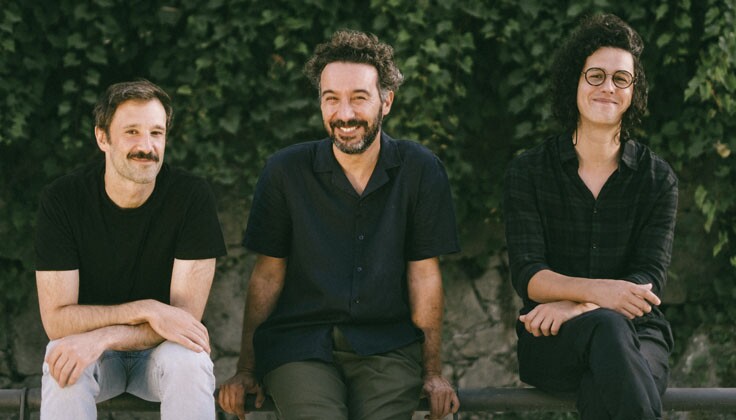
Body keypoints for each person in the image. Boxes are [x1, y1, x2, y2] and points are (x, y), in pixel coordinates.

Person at [218, 30, 460, 420]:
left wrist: (433, 373)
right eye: (331, 98)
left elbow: (425, 275)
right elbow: (266, 276)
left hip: (387, 348)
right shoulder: (284, 172)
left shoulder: (421, 170)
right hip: (299, 346)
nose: (344, 114)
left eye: (359, 98)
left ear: (387, 101)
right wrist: (246, 369)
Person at [503, 14, 677, 420]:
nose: (608, 87)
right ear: (574, 83)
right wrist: (592, 304)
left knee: (610, 376)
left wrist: (577, 304)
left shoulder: (657, 179)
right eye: (595, 75)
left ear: (633, 91)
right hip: (552, 335)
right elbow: (529, 274)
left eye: (621, 79)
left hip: (638, 332)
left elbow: (648, 281)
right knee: (608, 333)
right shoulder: (529, 172)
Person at [34, 79, 227, 420]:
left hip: (159, 352)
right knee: (63, 358)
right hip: (94, 357)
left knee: (190, 361)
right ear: (102, 138)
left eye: (156, 133)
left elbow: (183, 322)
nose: (147, 146)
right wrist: (147, 309)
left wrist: (105, 336)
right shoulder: (63, 200)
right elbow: (56, 321)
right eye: (132, 132)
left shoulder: (191, 198)